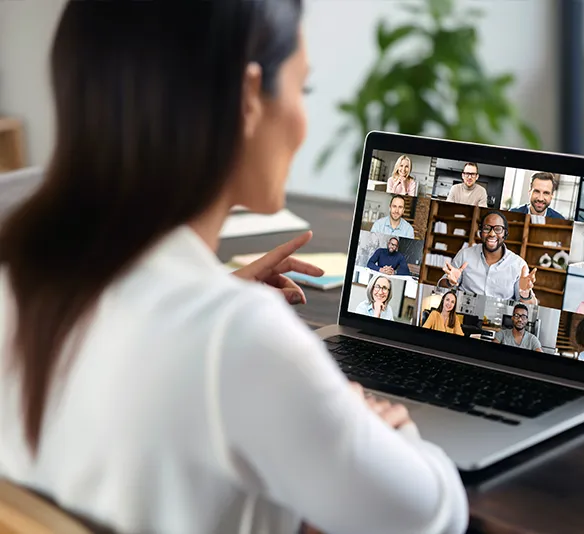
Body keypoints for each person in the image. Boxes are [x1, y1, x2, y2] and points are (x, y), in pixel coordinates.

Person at [0, 2, 469, 534]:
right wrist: (385, 428)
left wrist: (202, 299)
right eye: (303, 89)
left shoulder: (19, 278)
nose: (302, 119)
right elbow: (432, 517)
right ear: (248, 97)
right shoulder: (239, 341)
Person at [440, 211, 537, 304]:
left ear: (505, 234)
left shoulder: (519, 265)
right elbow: (441, 288)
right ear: (481, 232)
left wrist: (525, 293)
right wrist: (449, 283)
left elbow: (530, 306)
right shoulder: (464, 255)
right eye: (487, 228)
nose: (492, 234)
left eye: (498, 229)